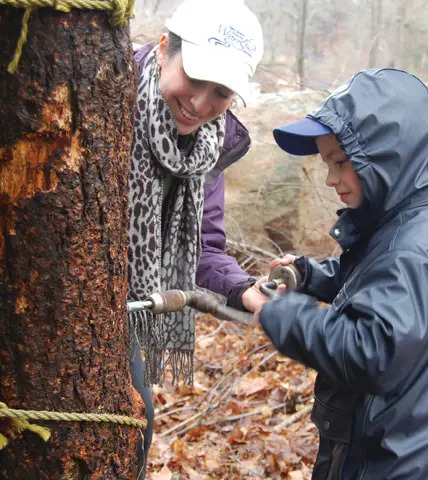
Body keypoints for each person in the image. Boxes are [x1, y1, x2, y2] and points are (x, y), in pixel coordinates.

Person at [255, 69, 428, 479]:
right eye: (327, 163)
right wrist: (309, 275)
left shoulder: (410, 248)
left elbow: (373, 351)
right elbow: (377, 284)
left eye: (341, 162)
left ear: (390, 156)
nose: (331, 179)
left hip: (393, 460)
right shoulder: (407, 221)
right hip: (400, 444)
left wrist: (280, 313)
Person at [127, 0, 265, 474]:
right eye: (196, 77)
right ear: (165, 48)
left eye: (222, 92)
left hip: (121, 312)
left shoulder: (210, 143)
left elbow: (205, 245)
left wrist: (243, 288)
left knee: (131, 423)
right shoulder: (105, 92)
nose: (202, 103)